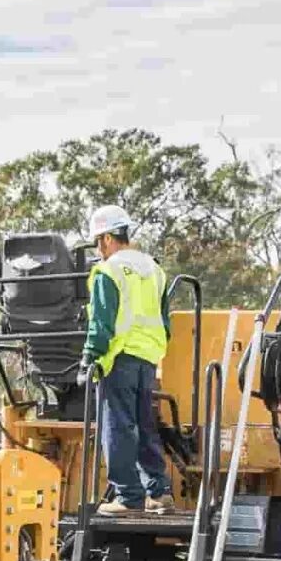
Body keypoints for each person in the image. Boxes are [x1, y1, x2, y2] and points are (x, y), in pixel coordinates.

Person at [81, 203, 174, 516]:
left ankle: (128, 496)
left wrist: (89, 357)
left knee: (117, 427)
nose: (98, 249)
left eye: (98, 242)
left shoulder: (109, 271)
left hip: (118, 357)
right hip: (148, 357)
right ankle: (159, 492)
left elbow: (102, 323)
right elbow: (165, 320)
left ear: (107, 238)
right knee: (145, 425)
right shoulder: (154, 269)